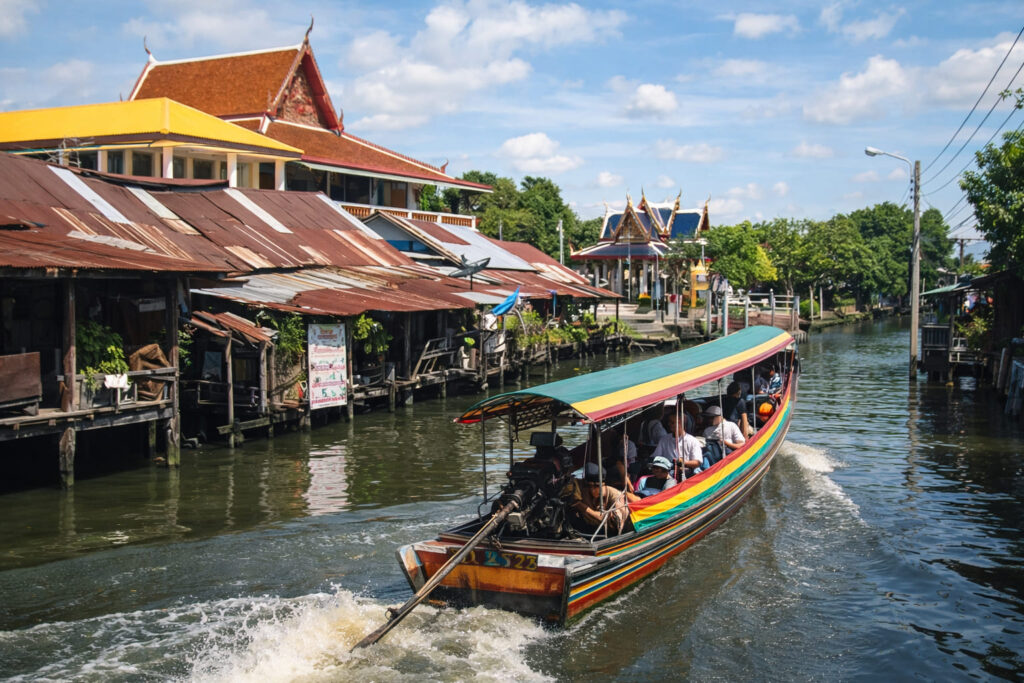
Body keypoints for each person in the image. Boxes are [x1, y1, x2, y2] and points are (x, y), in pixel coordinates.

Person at [567, 463, 633, 534]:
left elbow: (609, 521)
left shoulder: (616, 496)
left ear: (603, 485)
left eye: (596, 486)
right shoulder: (585, 493)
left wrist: (584, 508)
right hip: (591, 530)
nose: (592, 490)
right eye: (589, 486)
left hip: (613, 533)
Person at [651, 412, 702, 478]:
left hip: (685, 472)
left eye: (672, 422)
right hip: (666, 472)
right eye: (669, 422)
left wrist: (683, 463)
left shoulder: (692, 440)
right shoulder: (664, 439)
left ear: (680, 423)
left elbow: (697, 462)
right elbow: (656, 456)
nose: (669, 424)